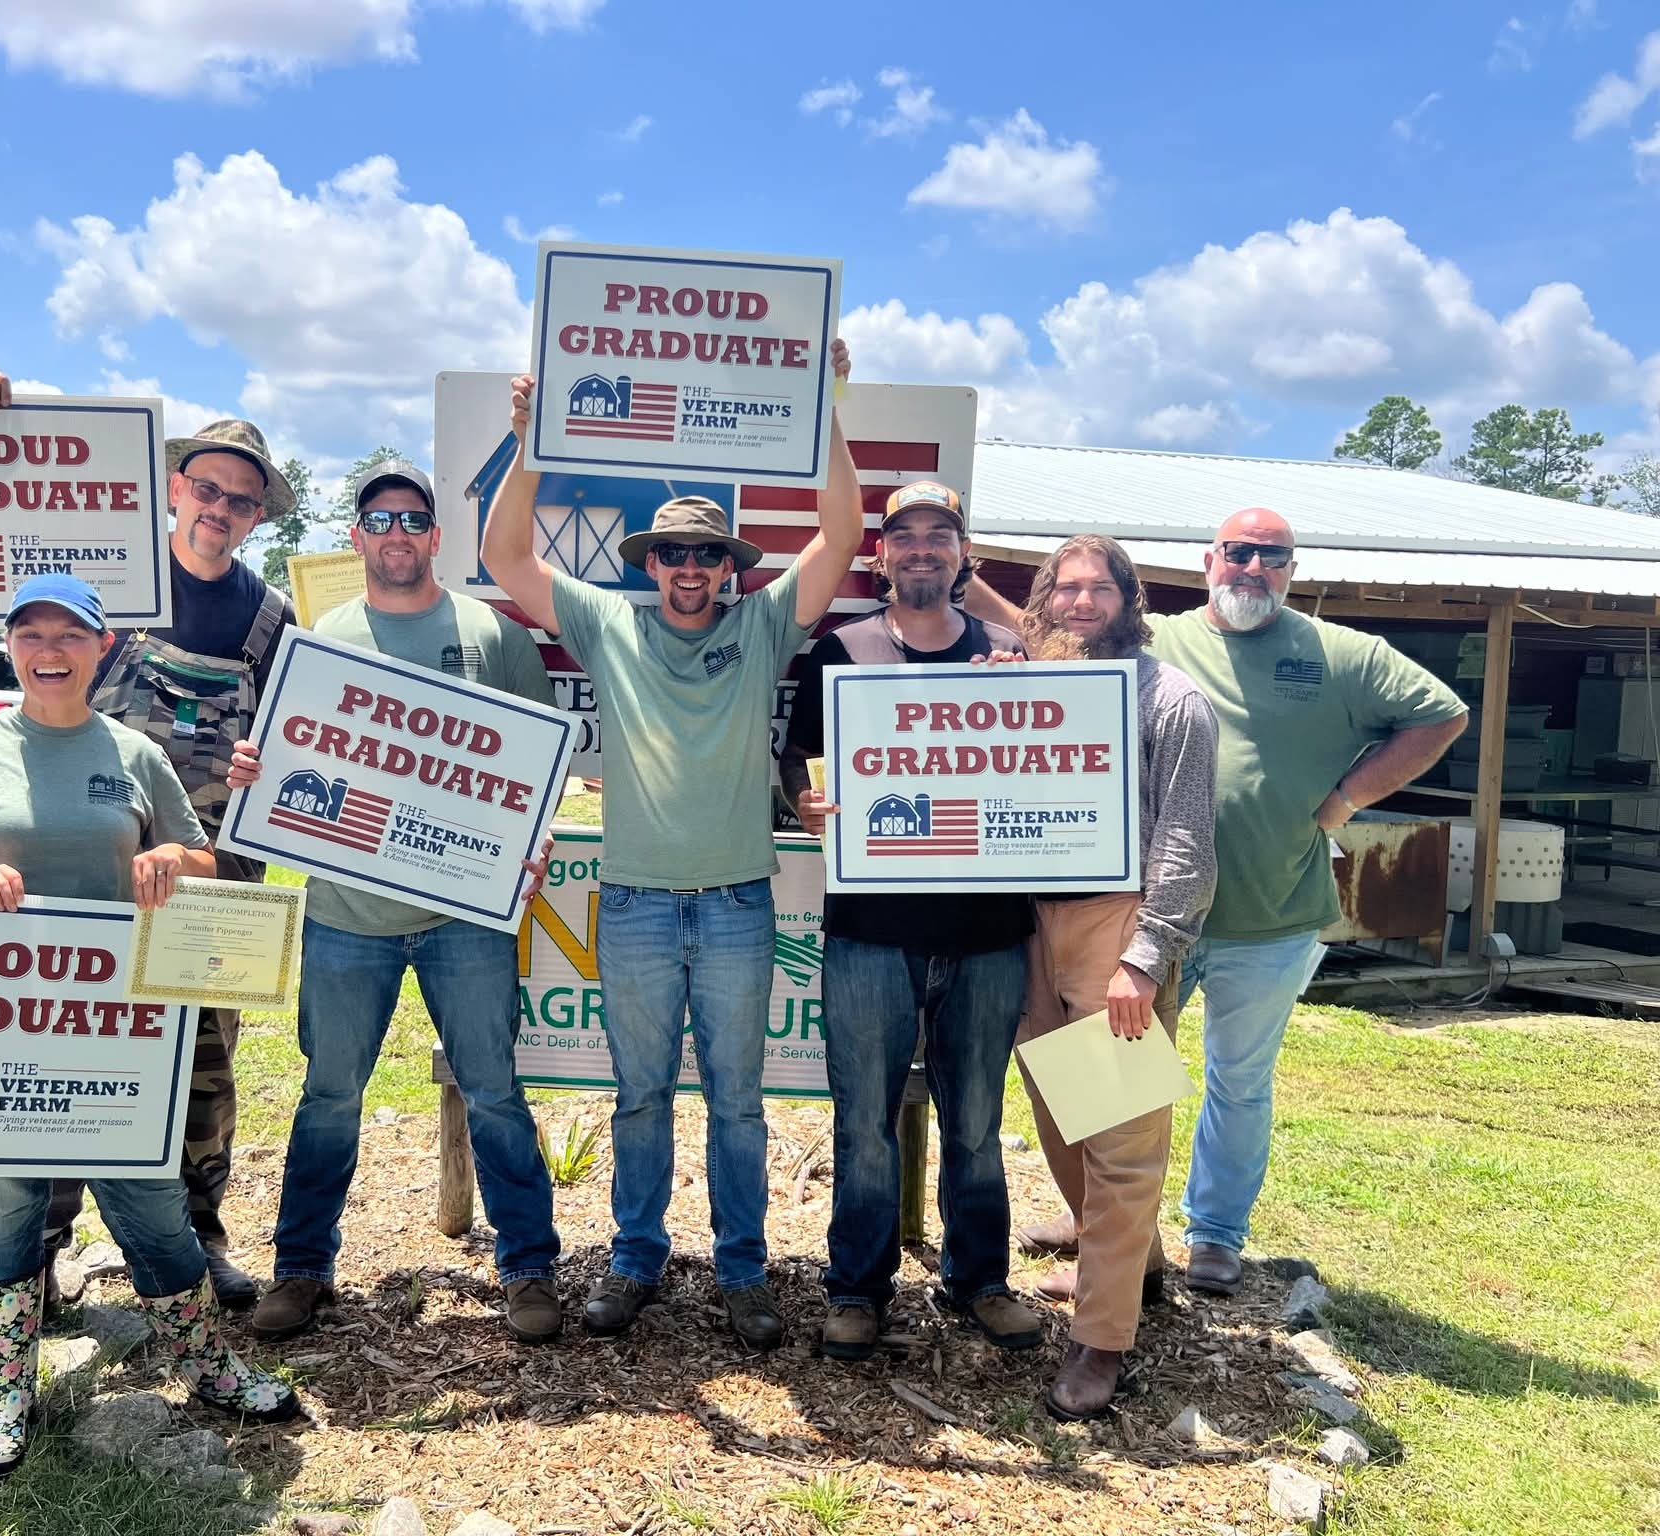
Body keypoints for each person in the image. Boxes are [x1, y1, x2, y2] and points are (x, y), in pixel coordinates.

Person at [481, 345, 863, 1350]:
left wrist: (824, 407)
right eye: (673, 557)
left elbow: (839, 533)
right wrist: (527, 444)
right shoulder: (607, 623)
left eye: (707, 558)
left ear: (728, 569)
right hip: (638, 902)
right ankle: (633, 1258)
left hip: (738, 902)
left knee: (738, 1105)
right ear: (649, 563)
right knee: (639, 1096)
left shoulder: (767, 621)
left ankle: (743, 1272)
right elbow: (510, 558)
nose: (689, 572)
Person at [0, 574, 300, 1479]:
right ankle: (8, 1388)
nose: (49, 649)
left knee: (152, 1206)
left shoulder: (133, 752)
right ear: (12, 644)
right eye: (30, 632)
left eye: (69, 634)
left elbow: (201, 855)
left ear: (101, 647)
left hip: (122, 1026)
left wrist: (168, 857)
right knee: (3, 1210)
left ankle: (204, 1365)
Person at [0, 365, 300, 1334]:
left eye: (241, 498)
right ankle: (34, 1266)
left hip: (210, 874)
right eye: (207, 488)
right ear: (175, 487)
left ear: (258, 515)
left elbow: (305, 747)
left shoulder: (272, 622)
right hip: (82, 868)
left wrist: (276, 769)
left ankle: (196, 1239)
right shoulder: (104, 584)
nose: (220, 508)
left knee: (202, 1061)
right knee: (47, 1053)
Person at [243, 458, 565, 1344]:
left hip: (465, 919)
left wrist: (527, 846)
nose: (395, 534)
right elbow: (286, 758)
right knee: (329, 1096)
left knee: (495, 1091)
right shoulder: (321, 638)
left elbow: (538, 763)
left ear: (435, 535)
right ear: (357, 538)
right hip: (348, 918)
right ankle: (303, 1269)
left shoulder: (491, 635)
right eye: (377, 519)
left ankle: (529, 1267)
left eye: (411, 519)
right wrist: (255, 778)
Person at [1143, 508, 1466, 1295]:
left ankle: (1215, 1235)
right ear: (1208, 559)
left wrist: (1348, 798)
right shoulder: (1157, 638)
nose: (1253, 567)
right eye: (1239, 552)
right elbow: (1055, 631)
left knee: (1238, 1081)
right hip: (1154, 915)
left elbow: (1443, 713)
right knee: (1124, 1073)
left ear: (1293, 569)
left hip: (1272, 913)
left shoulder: (1339, 653)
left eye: (1273, 557)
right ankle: (1110, 1222)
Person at [776, 481, 1041, 1361]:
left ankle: (981, 1281)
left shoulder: (1010, 654)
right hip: (868, 934)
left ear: (964, 552)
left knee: (975, 1122)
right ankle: (855, 1288)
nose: (923, 548)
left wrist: (1031, 695)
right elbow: (797, 766)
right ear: (880, 554)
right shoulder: (839, 651)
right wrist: (807, 804)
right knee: (864, 1122)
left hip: (990, 935)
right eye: (906, 535)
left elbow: (1052, 769)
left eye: (941, 534)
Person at [1009, 536, 1219, 1419]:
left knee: (1121, 1140)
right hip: (1030, 921)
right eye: (1067, 587)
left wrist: (1146, 953)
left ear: (1131, 600)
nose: (1082, 601)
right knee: (1059, 1108)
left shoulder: (1171, 699)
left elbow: (1185, 839)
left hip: (1116, 921)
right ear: (1046, 599)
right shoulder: (1034, 688)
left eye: (1101, 588)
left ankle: (1102, 1343)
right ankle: (1134, 1269)